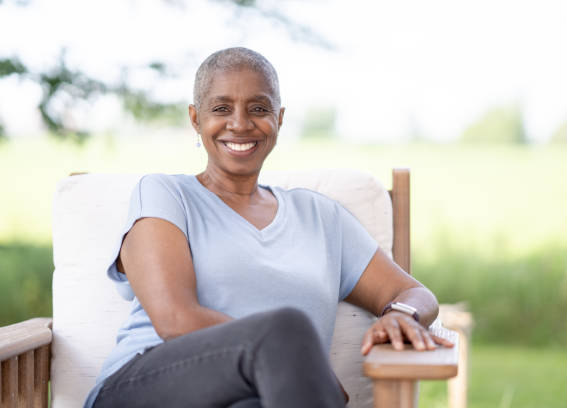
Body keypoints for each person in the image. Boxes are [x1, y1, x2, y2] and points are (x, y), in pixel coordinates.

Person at [84, 47, 453, 408]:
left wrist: (402, 314)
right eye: (221, 108)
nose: (241, 123)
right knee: (286, 330)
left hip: (265, 397)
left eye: (259, 108)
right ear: (196, 119)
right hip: (145, 386)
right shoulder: (166, 195)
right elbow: (174, 319)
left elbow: (412, 292)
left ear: (279, 118)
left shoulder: (322, 218)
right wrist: (296, 356)